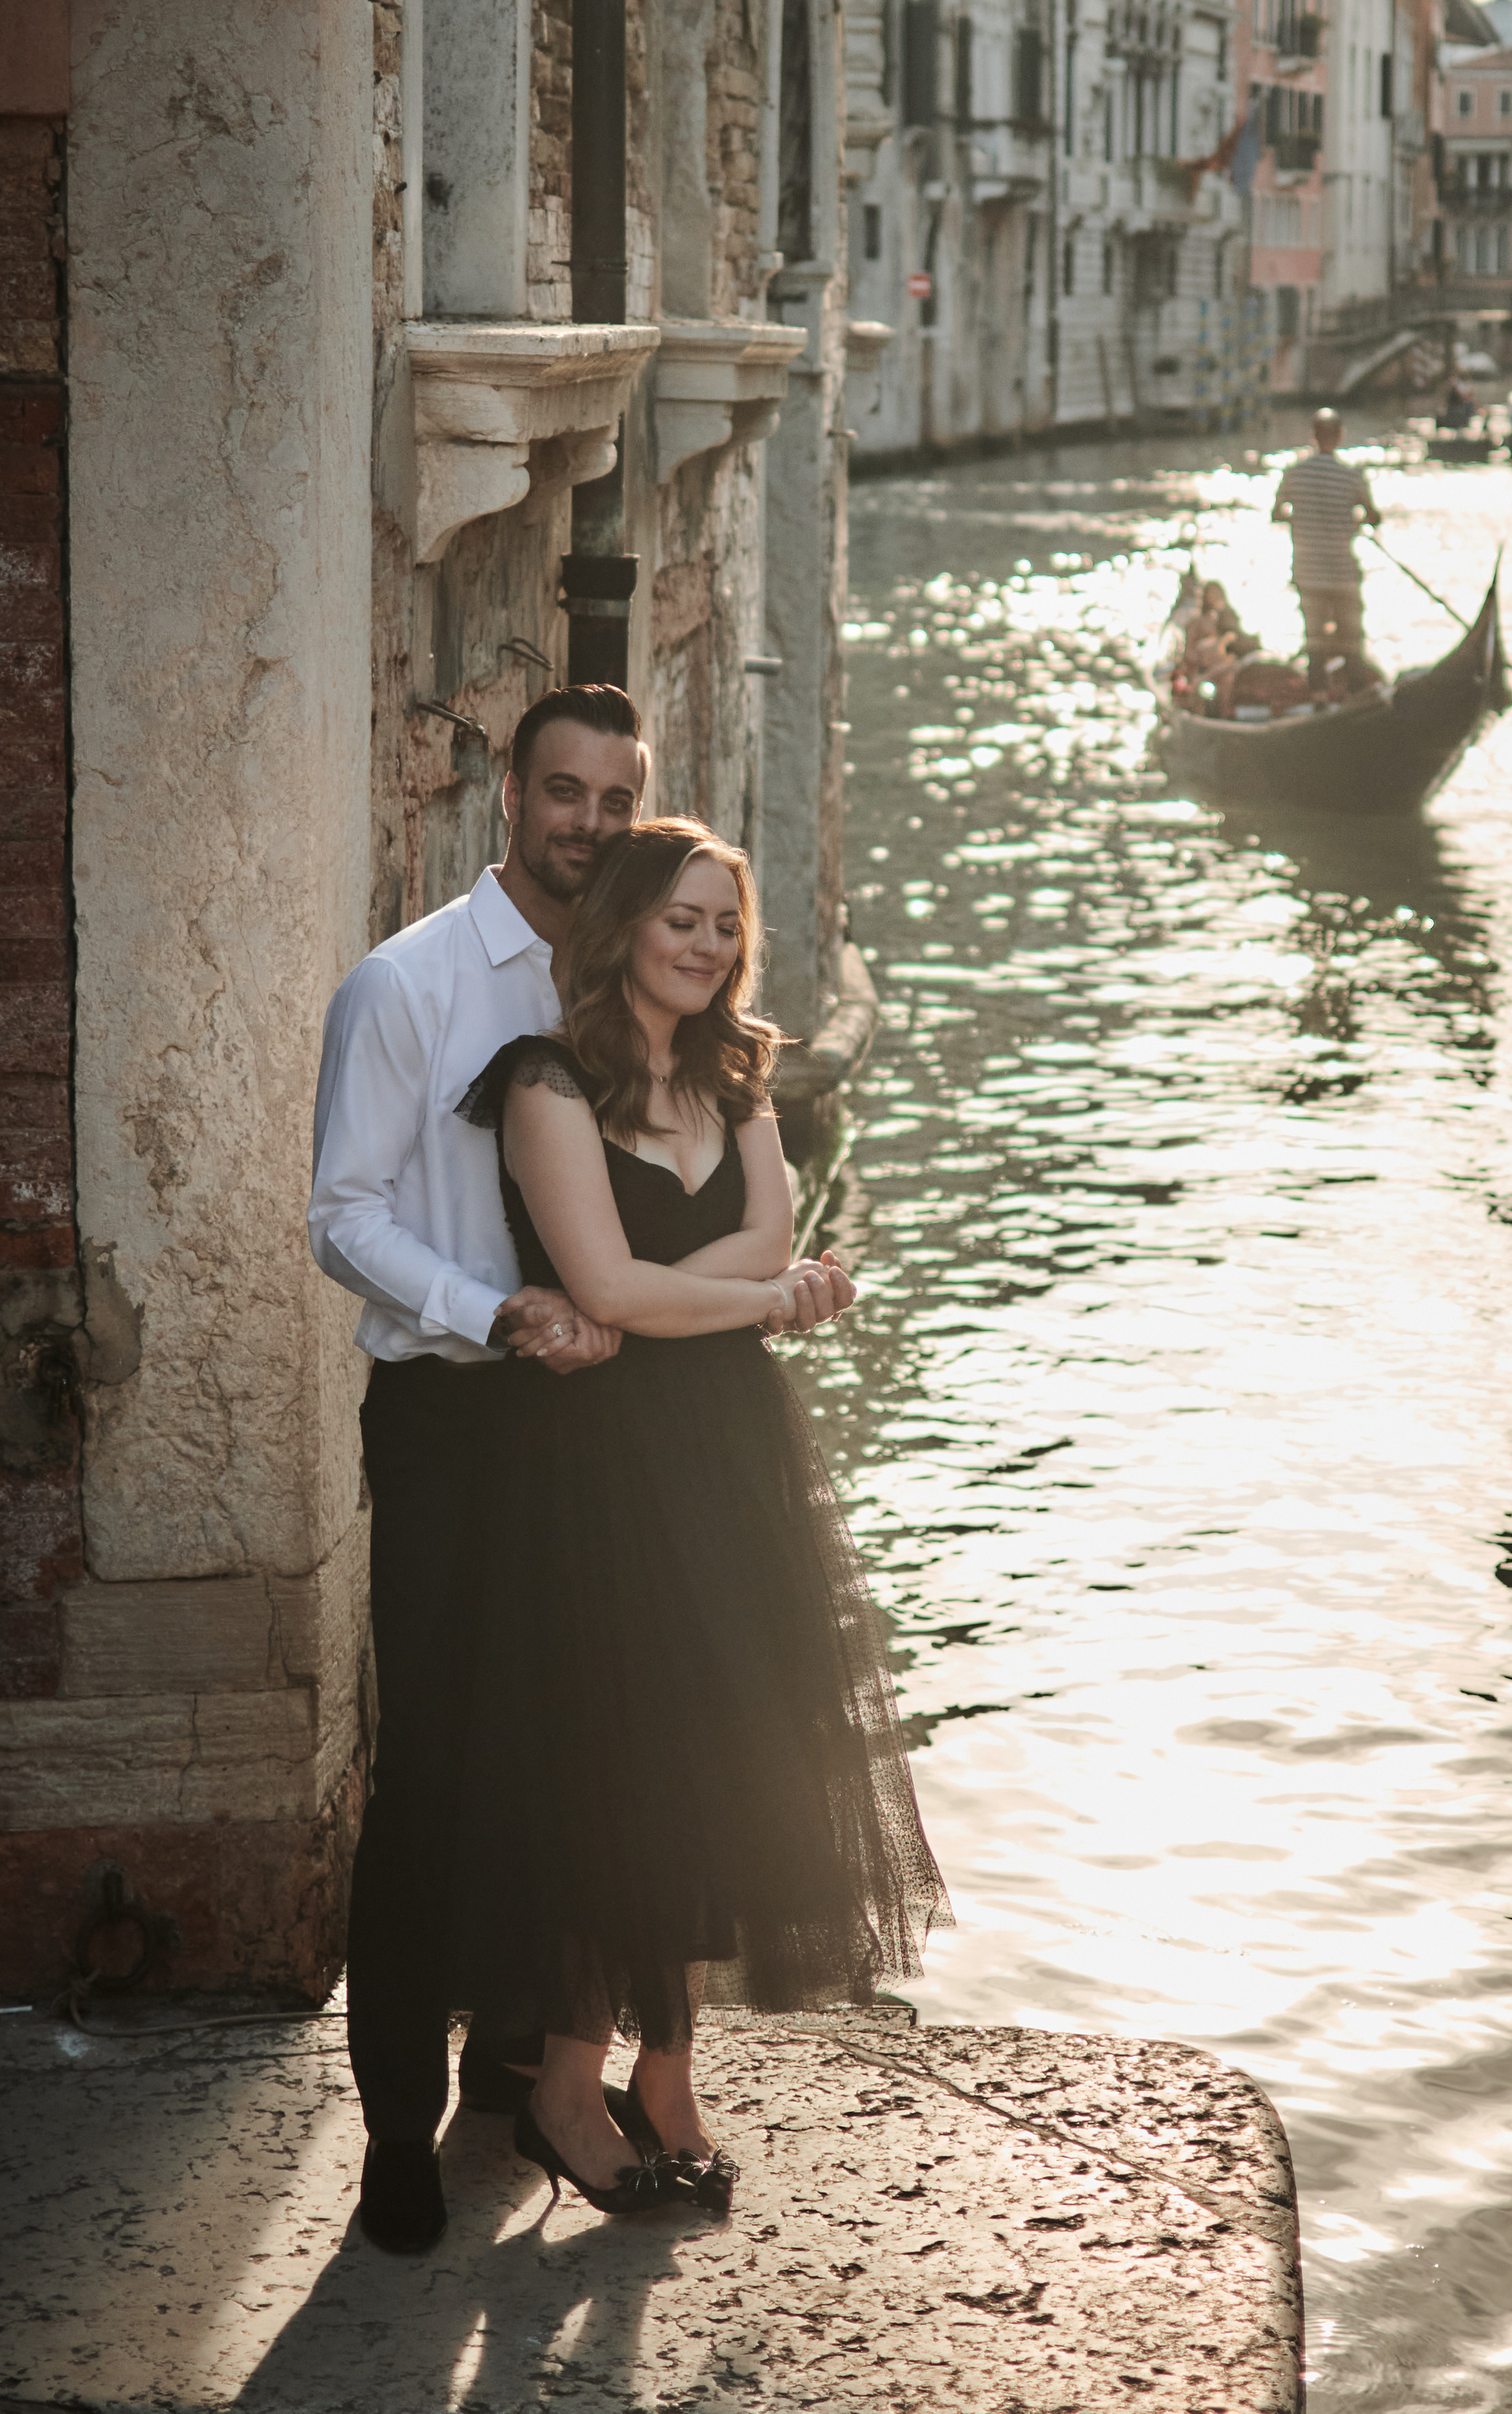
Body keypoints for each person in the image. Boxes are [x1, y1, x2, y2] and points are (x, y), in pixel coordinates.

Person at [307, 687, 856, 2256]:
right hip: (458, 1410)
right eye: (565, 793)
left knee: (589, 1752)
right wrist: (503, 1306)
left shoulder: (651, 1008)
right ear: (507, 795)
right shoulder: (409, 987)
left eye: (619, 799)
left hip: (610, 1427)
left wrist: (703, 1293)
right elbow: (341, 1212)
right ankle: (396, 2135)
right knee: (436, 1774)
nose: (590, 824)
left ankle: (534, 2072)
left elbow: (706, 1217)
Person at [451, 819, 950, 2218]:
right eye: (681, 918)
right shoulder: (545, 1084)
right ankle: (563, 2084)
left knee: (718, 1758)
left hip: (727, 1453)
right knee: (611, 1766)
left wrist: (729, 1290)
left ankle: (668, 2069)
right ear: (622, 922)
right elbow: (610, 1289)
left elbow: (758, 1240)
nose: (706, 945)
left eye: (724, 924)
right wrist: (756, 1299)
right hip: (595, 1466)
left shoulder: (738, 1070)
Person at [1270, 409, 1384, 698]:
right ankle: (1359, 694)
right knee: (1351, 638)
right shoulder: (1351, 476)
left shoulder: (1294, 474)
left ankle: (1319, 697)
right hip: (1343, 572)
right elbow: (1373, 516)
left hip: (1308, 572)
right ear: (1340, 436)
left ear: (1314, 436)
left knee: (1315, 639)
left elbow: (1277, 513)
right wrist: (1355, 521)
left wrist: (1298, 518)